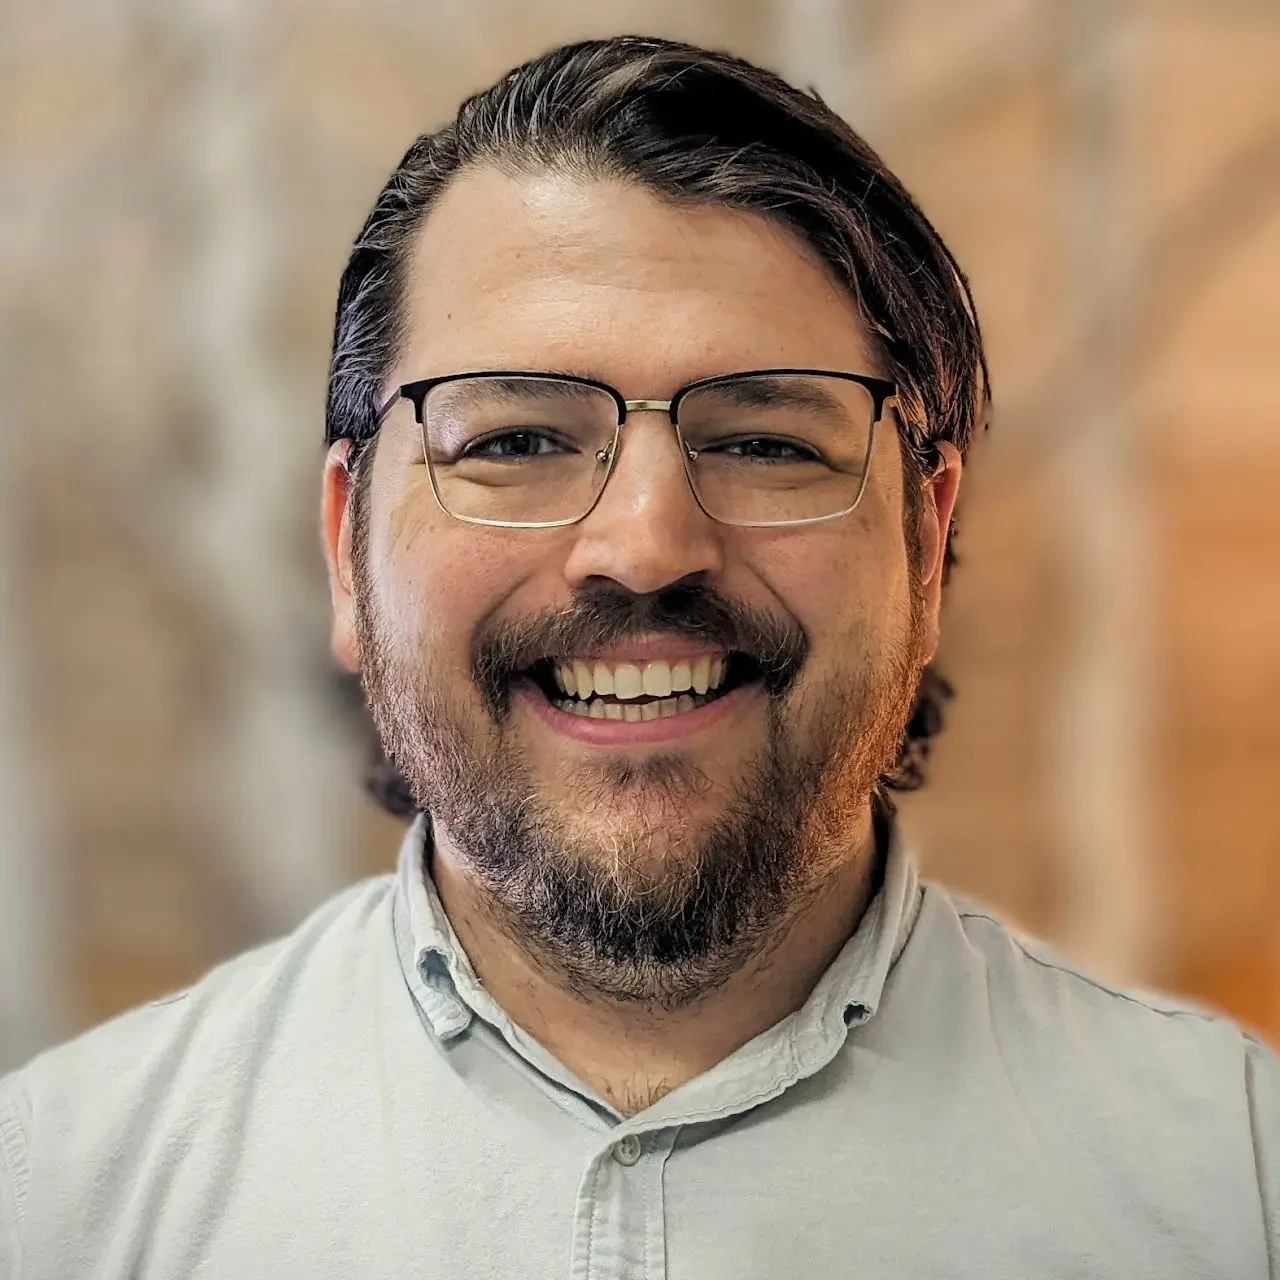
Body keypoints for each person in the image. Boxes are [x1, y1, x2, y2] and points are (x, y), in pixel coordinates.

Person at [1, 34, 1276, 1279]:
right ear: (346, 549)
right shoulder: (56, 1196)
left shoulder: (1236, 1182)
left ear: (925, 543)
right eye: (513, 440)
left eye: (768, 441)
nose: (647, 545)